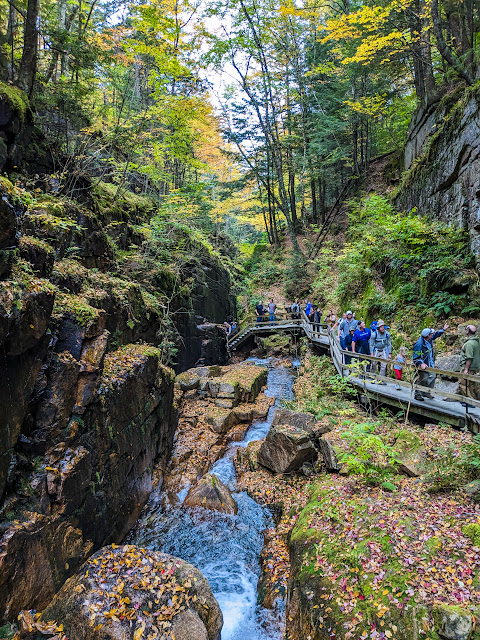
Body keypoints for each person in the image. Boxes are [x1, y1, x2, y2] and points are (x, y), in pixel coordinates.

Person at [412, 323, 448, 401]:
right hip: (423, 364)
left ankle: (426, 392)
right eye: (431, 334)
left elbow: (436, 335)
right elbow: (415, 357)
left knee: (433, 376)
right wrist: (421, 363)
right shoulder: (419, 344)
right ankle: (417, 394)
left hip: (430, 363)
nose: (432, 335)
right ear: (428, 335)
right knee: (422, 378)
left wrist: (443, 330)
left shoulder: (429, 339)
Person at [459, 325, 480, 405]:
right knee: (471, 384)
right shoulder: (477, 341)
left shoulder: (470, 344)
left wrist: (466, 369)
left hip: (468, 367)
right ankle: (473, 400)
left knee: (463, 383)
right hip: (475, 367)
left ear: (468, 331)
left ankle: (469, 402)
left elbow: (469, 357)